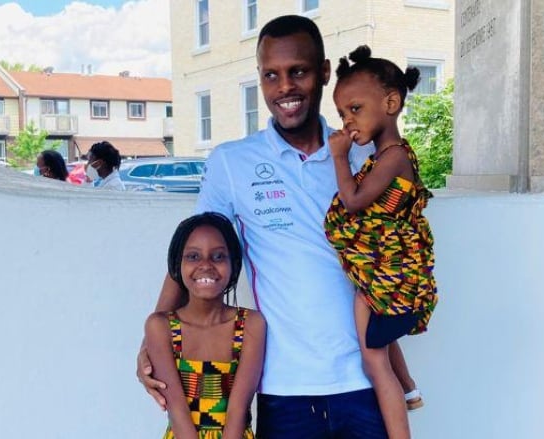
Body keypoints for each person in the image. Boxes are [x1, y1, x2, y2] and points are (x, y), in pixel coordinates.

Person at [139, 15, 391, 438]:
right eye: (271, 75)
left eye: (299, 72)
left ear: (325, 72)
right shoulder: (232, 163)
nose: (284, 87)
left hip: (364, 379)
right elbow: (194, 253)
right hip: (282, 387)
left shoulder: (361, 157)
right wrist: (150, 342)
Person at [324, 45, 439, 439]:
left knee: (374, 362)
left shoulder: (393, 157)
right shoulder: (385, 156)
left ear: (390, 103)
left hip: (392, 279)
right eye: (341, 114)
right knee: (380, 340)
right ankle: (410, 389)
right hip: (380, 279)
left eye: (355, 109)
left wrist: (338, 157)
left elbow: (355, 202)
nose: (347, 121)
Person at [145, 212, 266, 439]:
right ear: (176, 264)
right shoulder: (160, 327)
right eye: (193, 256)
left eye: (218, 256)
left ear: (234, 264)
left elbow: (237, 412)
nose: (206, 265)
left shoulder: (251, 325)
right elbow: (178, 414)